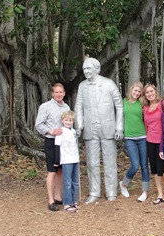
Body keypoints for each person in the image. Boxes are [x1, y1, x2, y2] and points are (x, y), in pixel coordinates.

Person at [74, 57, 124, 204]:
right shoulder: (82, 86)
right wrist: (79, 125)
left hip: (108, 128)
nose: (86, 71)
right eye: (84, 69)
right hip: (91, 128)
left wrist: (119, 127)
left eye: (89, 68)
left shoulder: (108, 84)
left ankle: (111, 192)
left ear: (97, 69)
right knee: (92, 163)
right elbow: (79, 106)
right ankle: (94, 192)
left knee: (110, 162)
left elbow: (119, 106)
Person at [35, 83, 70, 212]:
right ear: (52, 93)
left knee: (61, 170)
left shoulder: (66, 107)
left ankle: (58, 196)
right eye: (56, 92)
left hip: (63, 143)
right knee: (52, 171)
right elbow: (38, 125)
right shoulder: (45, 107)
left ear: (64, 93)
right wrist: (51, 131)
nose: (59, 94)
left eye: (61, 92)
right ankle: (50, 200)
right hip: (51, 142)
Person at [118, 81, 150, 202]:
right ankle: (124, 184)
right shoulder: (123, 102)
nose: (136, 93)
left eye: (139, 91)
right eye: (135, 90)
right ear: (131, 90)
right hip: (129, 138)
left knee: (144, 165)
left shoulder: (142, 103)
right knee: (135, 165)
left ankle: (144, 191)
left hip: (142, 136)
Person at [142, 84, 164, 205]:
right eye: (147, 92)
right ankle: (159, 193)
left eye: (151, 91)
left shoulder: (162, 105)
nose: (150, 94)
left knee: (161, 169)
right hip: (150, 141)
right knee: (154, 169)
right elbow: (146, 125)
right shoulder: (145, 108)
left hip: (161, 142)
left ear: (155, 92)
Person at [54, 111, 80, 213]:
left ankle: (74, 200)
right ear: (62, 120)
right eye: (66, 120)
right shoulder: (60, 131)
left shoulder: (73, 132)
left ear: (73, 121)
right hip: (66, 160)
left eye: (70, 120)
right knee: (67, 182)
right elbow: (57, 146)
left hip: (75, 159)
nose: (68, 122)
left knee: (75, 181)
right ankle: (67, 203)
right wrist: (57, 160)